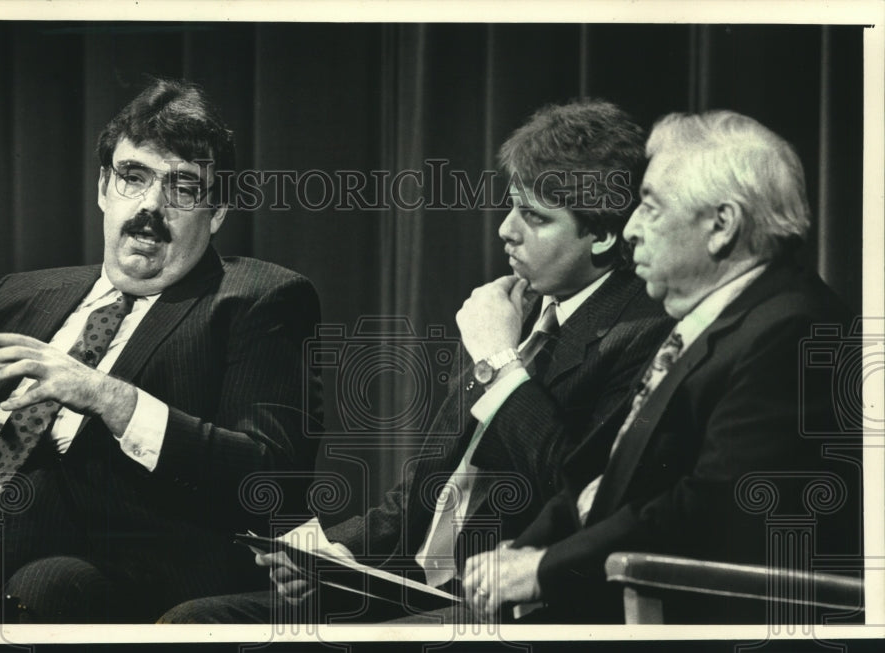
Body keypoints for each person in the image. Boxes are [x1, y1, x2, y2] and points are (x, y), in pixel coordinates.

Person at [160, 99, 674, 623]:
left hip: (509, 604)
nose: (506, 230)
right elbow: (423, 497)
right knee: (194, 621)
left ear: (604, 234)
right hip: (414, 590)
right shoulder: (520, 307)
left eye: (535, 217)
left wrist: (498, 361)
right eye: (512, 205)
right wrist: (337, 557)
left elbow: (577, 493)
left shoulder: (644, 331)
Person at [0, 78, 322, 623]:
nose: (151, 206)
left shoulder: (258, 298)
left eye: (184, 187)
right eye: (133, 177)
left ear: (216, 212)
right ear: (103, 187)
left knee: (46, 583)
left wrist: (106, 395)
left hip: (126, 566)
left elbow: (274, 477)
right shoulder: (20, 294)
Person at [460, 110, 862, 624]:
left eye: (650, 207)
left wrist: (543, 568)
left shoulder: (795, 331)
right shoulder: (719, 318)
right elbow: (599, 476)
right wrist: (518, 556)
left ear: (721, 226)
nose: (629, 229)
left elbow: (707, 511)